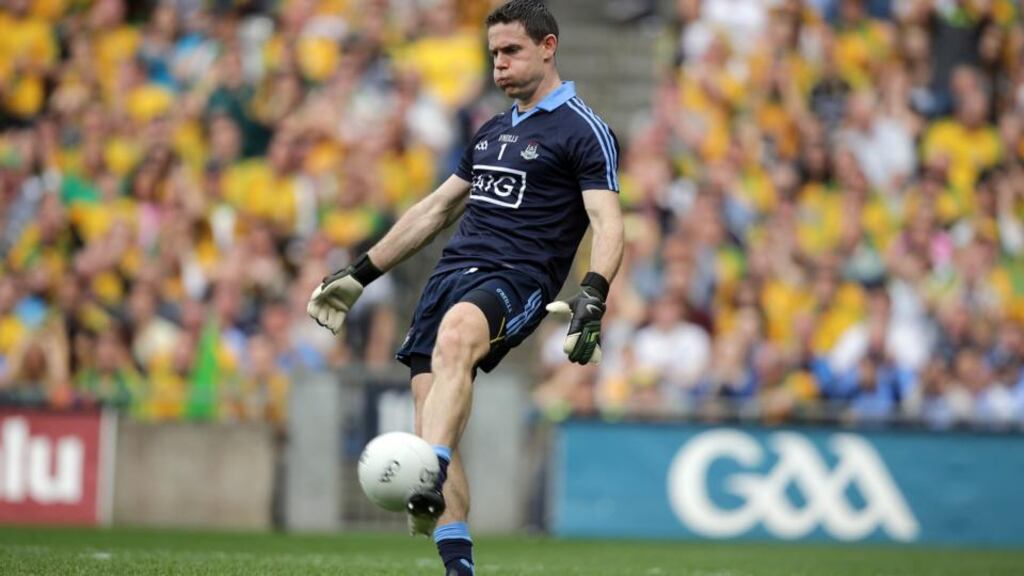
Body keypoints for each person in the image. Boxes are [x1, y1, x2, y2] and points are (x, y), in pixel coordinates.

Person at [306, 1, 624, 574]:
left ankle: (426, 471)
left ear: (548, 47)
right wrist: (359, 274)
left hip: (517, 280)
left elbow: (606, 221)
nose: (499, 65)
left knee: (455, 345)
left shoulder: (584, 129)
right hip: (449, 277)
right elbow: (435, 211)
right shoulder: (492, 130)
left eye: (511, 51)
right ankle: (458, 564)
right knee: (433, 412)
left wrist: (594, 292)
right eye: (493, 54)